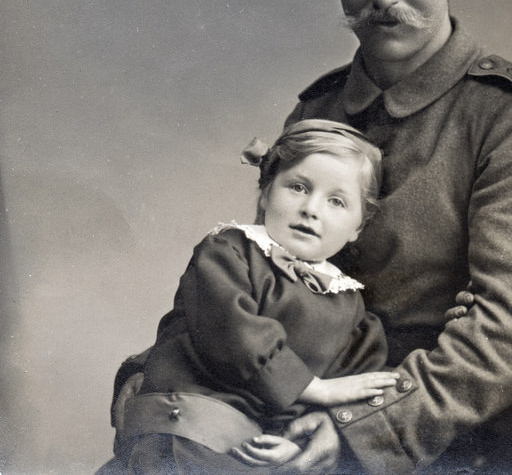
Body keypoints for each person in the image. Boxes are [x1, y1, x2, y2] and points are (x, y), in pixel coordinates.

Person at [109, 0, 512, 474]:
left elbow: (511, 333)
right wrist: (156, 369)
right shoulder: (318, 109)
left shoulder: (510, 117)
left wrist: (361, 431)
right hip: (292, 407)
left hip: (447, 429)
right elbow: (253, 269)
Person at [102, 119, 399, 473]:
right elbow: (234, 333)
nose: (311, 209)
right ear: (265, 192)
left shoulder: (351, 306)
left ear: (358, 227)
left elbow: (349, 386)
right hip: (183, 431)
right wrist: (314, 388)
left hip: (254, 454)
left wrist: (298, 439)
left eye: (336, 201)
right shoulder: (229, 252)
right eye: (299, 187)